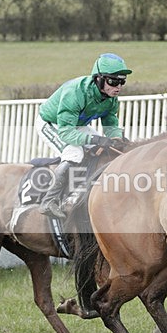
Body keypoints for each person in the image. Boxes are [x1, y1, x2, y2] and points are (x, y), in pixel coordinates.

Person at [35, 52, 131, 218]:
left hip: (76, 125)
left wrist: (117, 139)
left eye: (122, 81)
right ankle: (48, 201)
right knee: (75, 153)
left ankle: (80, 189)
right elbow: (66, 132)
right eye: (113, 81)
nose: (118, 87)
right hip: (51, 124)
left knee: (106, 148)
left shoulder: (111, 98)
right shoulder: (75, 93)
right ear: (99, 79)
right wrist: (95, 139)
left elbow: (111, 123)